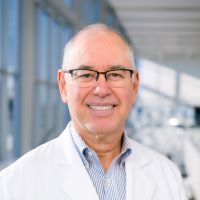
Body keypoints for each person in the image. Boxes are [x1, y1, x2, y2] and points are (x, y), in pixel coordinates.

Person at [0, 24, 186, 200]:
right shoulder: (15, 184)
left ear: (134, 85)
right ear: (63, 85)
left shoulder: (167, 175)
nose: (102, 89)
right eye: (86, 75)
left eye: (115, 74)